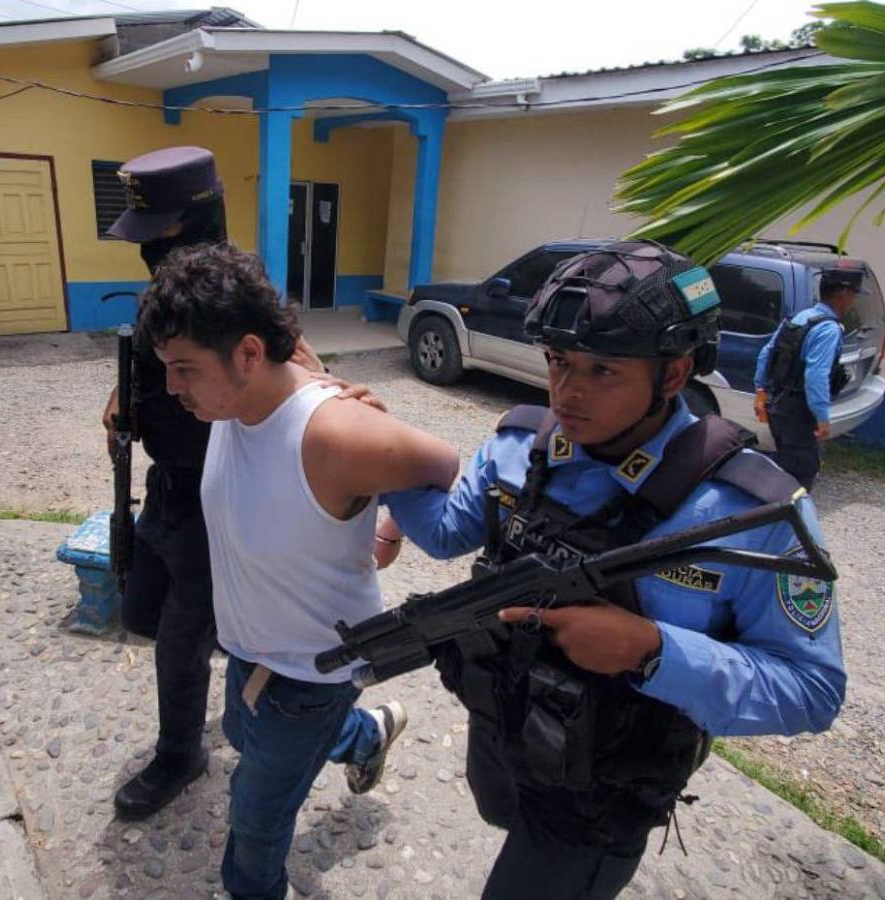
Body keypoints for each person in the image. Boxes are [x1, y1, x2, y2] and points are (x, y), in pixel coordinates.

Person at [381, 240, 846, 899]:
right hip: (504, 730)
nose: (567, 391)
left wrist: (653, 651)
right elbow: (445, 529)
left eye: (603, 371)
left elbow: (812, 690)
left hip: (602, 796)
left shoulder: (752, 510)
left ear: (675, 374)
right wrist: (377, 457)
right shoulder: (519, 447)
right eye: (557, 362)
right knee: (499, 811)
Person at [138, 241, 460, 900]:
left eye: (183, 370)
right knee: (238, 733)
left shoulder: (334, 433)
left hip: (313, 673)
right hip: (252, 652)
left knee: (254, 820)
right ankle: (365, 733)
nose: (173, 388)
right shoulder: (234, 399)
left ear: (249, 355)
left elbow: (451, 468)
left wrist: (388, 528)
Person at [100, 147, 375, 820]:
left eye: (157, 233)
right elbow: (158, 363)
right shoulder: (167, 297)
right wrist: (120, 396)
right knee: (141, 614)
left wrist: (344, 399)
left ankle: (180, 754)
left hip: (216, 502)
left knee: (181, 640)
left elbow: (305, 374)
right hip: (167, 490)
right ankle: (346, 729)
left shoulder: (233, 301)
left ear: (194, 221)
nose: (147, 252)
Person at [753, 263, 865, 490]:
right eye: (854, 294)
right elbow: (816, 375)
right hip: (799, 412)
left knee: (785, 467)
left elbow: (767, 352)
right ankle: (780, 522)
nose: (854, 300)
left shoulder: (801, 317)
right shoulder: (828, 329)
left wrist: (760, 391)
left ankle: (768, 516)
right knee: (799, 478)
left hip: (778, 405)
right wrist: (822, 416)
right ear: (843, 293)